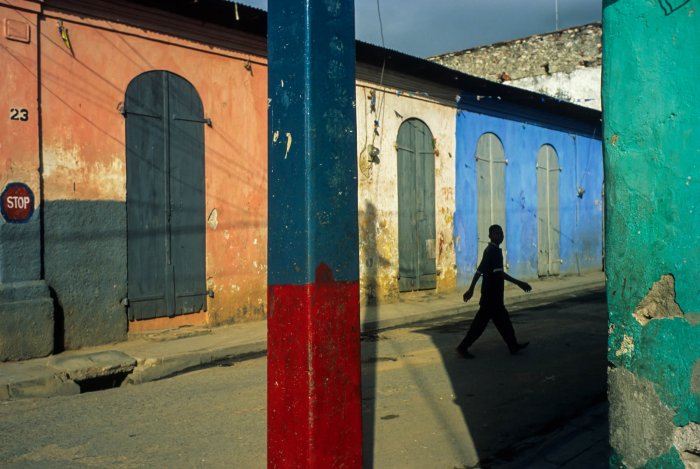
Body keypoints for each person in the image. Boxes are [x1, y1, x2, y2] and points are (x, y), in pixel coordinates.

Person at [456, 224, 532, 359]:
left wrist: (471, 289)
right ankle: (463, 347)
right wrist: (520, 283)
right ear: (490, 236)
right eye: (497, 233)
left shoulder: (488, 250)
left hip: (491, 296)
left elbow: (479, 271)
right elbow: (499, 274)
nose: (500, 235)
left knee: (503, 323)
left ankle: (513, 345)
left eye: (501, 233)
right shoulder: (494, 252)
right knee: (481, 326)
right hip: (492, 297)